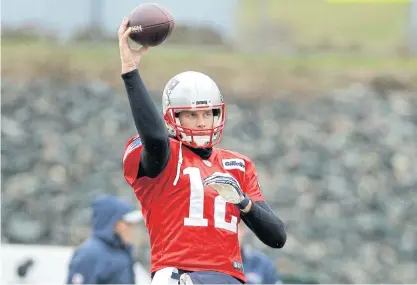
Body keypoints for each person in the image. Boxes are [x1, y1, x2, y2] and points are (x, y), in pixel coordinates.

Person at [118, 17, 287, 285]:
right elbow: (154, 138)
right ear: (173, 118)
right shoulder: (165, 155)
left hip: (228, 277)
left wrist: (243, 202)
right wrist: (130, 70)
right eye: (191, 114)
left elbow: (277, 237)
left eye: (208, 113)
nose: (201, 121)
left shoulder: (238, 165)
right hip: (178, 272)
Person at [66, 194, 143, 284]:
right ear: (112, 223)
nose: (132, 229)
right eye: (128, 223)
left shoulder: (122, 252)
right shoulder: (89, 255)